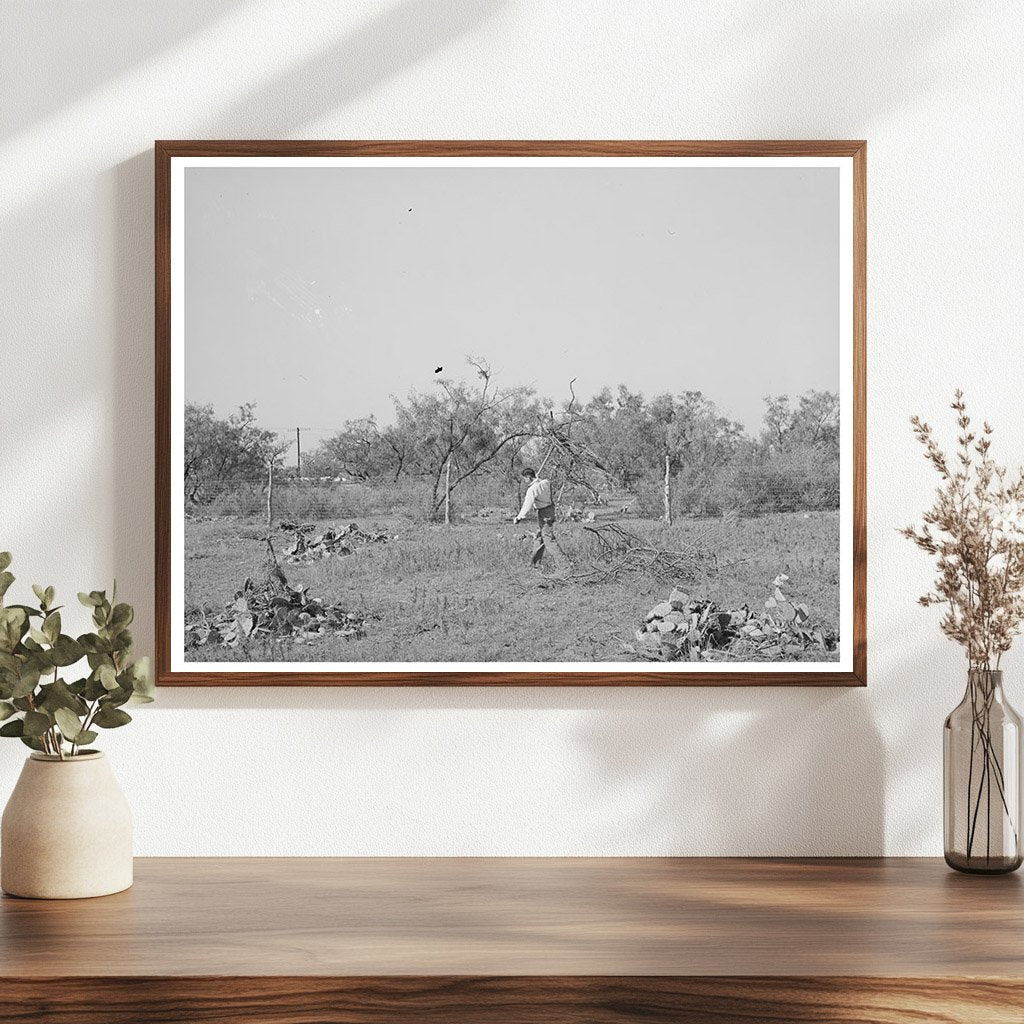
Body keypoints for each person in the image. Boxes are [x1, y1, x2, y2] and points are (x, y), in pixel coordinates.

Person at [513, 468, 568, 569]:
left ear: (528, 477)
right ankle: (534, 565)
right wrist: (537, 479)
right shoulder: (545, 482)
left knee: (548, 540)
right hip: (550, 510)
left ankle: (565, 566)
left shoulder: (532, 489)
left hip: (544, 514)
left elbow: (527, 505)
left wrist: (518, 517)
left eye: (525, 479)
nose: (525, 481)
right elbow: (545, 482)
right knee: (540, 537)